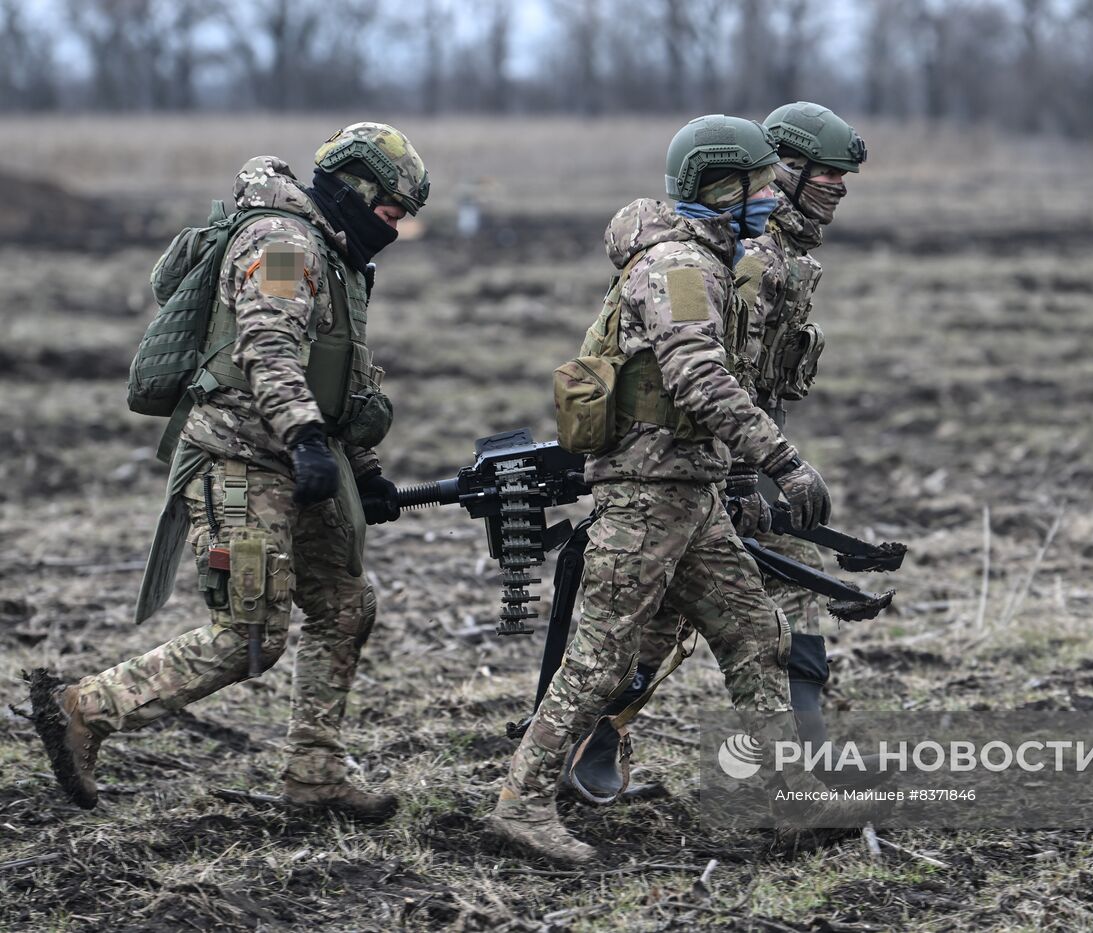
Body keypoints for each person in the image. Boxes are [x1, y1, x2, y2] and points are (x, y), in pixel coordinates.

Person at [486, 114, 883, 865]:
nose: (773, 200)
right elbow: (698, 376)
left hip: (688, 492)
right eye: (760, 186)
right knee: (601, 658)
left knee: (756, 636)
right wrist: (785, 461)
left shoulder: (705, 256)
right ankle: (521, 800)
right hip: (646, 495)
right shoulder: (679, 268)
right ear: (721, 189)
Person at [25, 122, 428, 821]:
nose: (393, 228)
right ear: (359, 192)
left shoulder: (336, 257)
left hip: (296, 459)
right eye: (390, 213)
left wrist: (359, 466)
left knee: (344, 604)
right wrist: (304, 439)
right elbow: (267, 350)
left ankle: (315, 772)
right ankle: (87, 708)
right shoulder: (282, 245)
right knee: (247, 634)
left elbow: (341, 377)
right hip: (240, 462)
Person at [567, 103, 871, 801]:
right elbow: (707, 375)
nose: (839, 190)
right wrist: (754, 476)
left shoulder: (776, 256)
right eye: (826, 176)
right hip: (689, 464)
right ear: (784, 176)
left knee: (686, 615)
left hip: (722, 464)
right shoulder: (748, 258)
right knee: (736, 609)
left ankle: (587, 749)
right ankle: (583, 749)